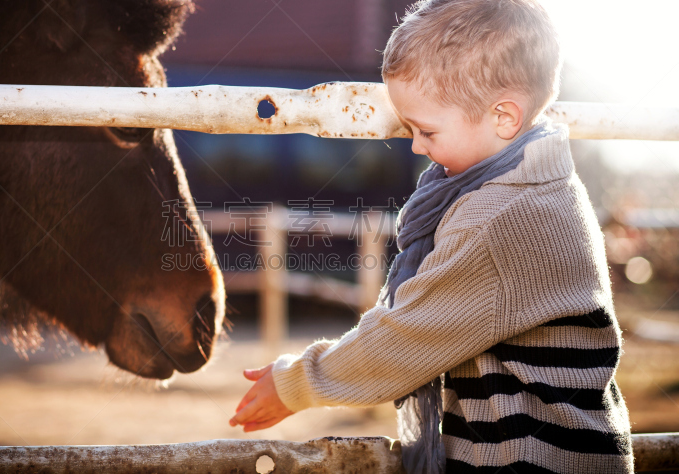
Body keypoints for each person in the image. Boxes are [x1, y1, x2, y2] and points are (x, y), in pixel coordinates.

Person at [228, 0, 634, 472]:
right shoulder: (546, 185)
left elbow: (402, 341)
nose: (417, 146)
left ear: (504, 117)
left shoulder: (500, 220)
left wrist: (294, 383)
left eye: (426, 130)